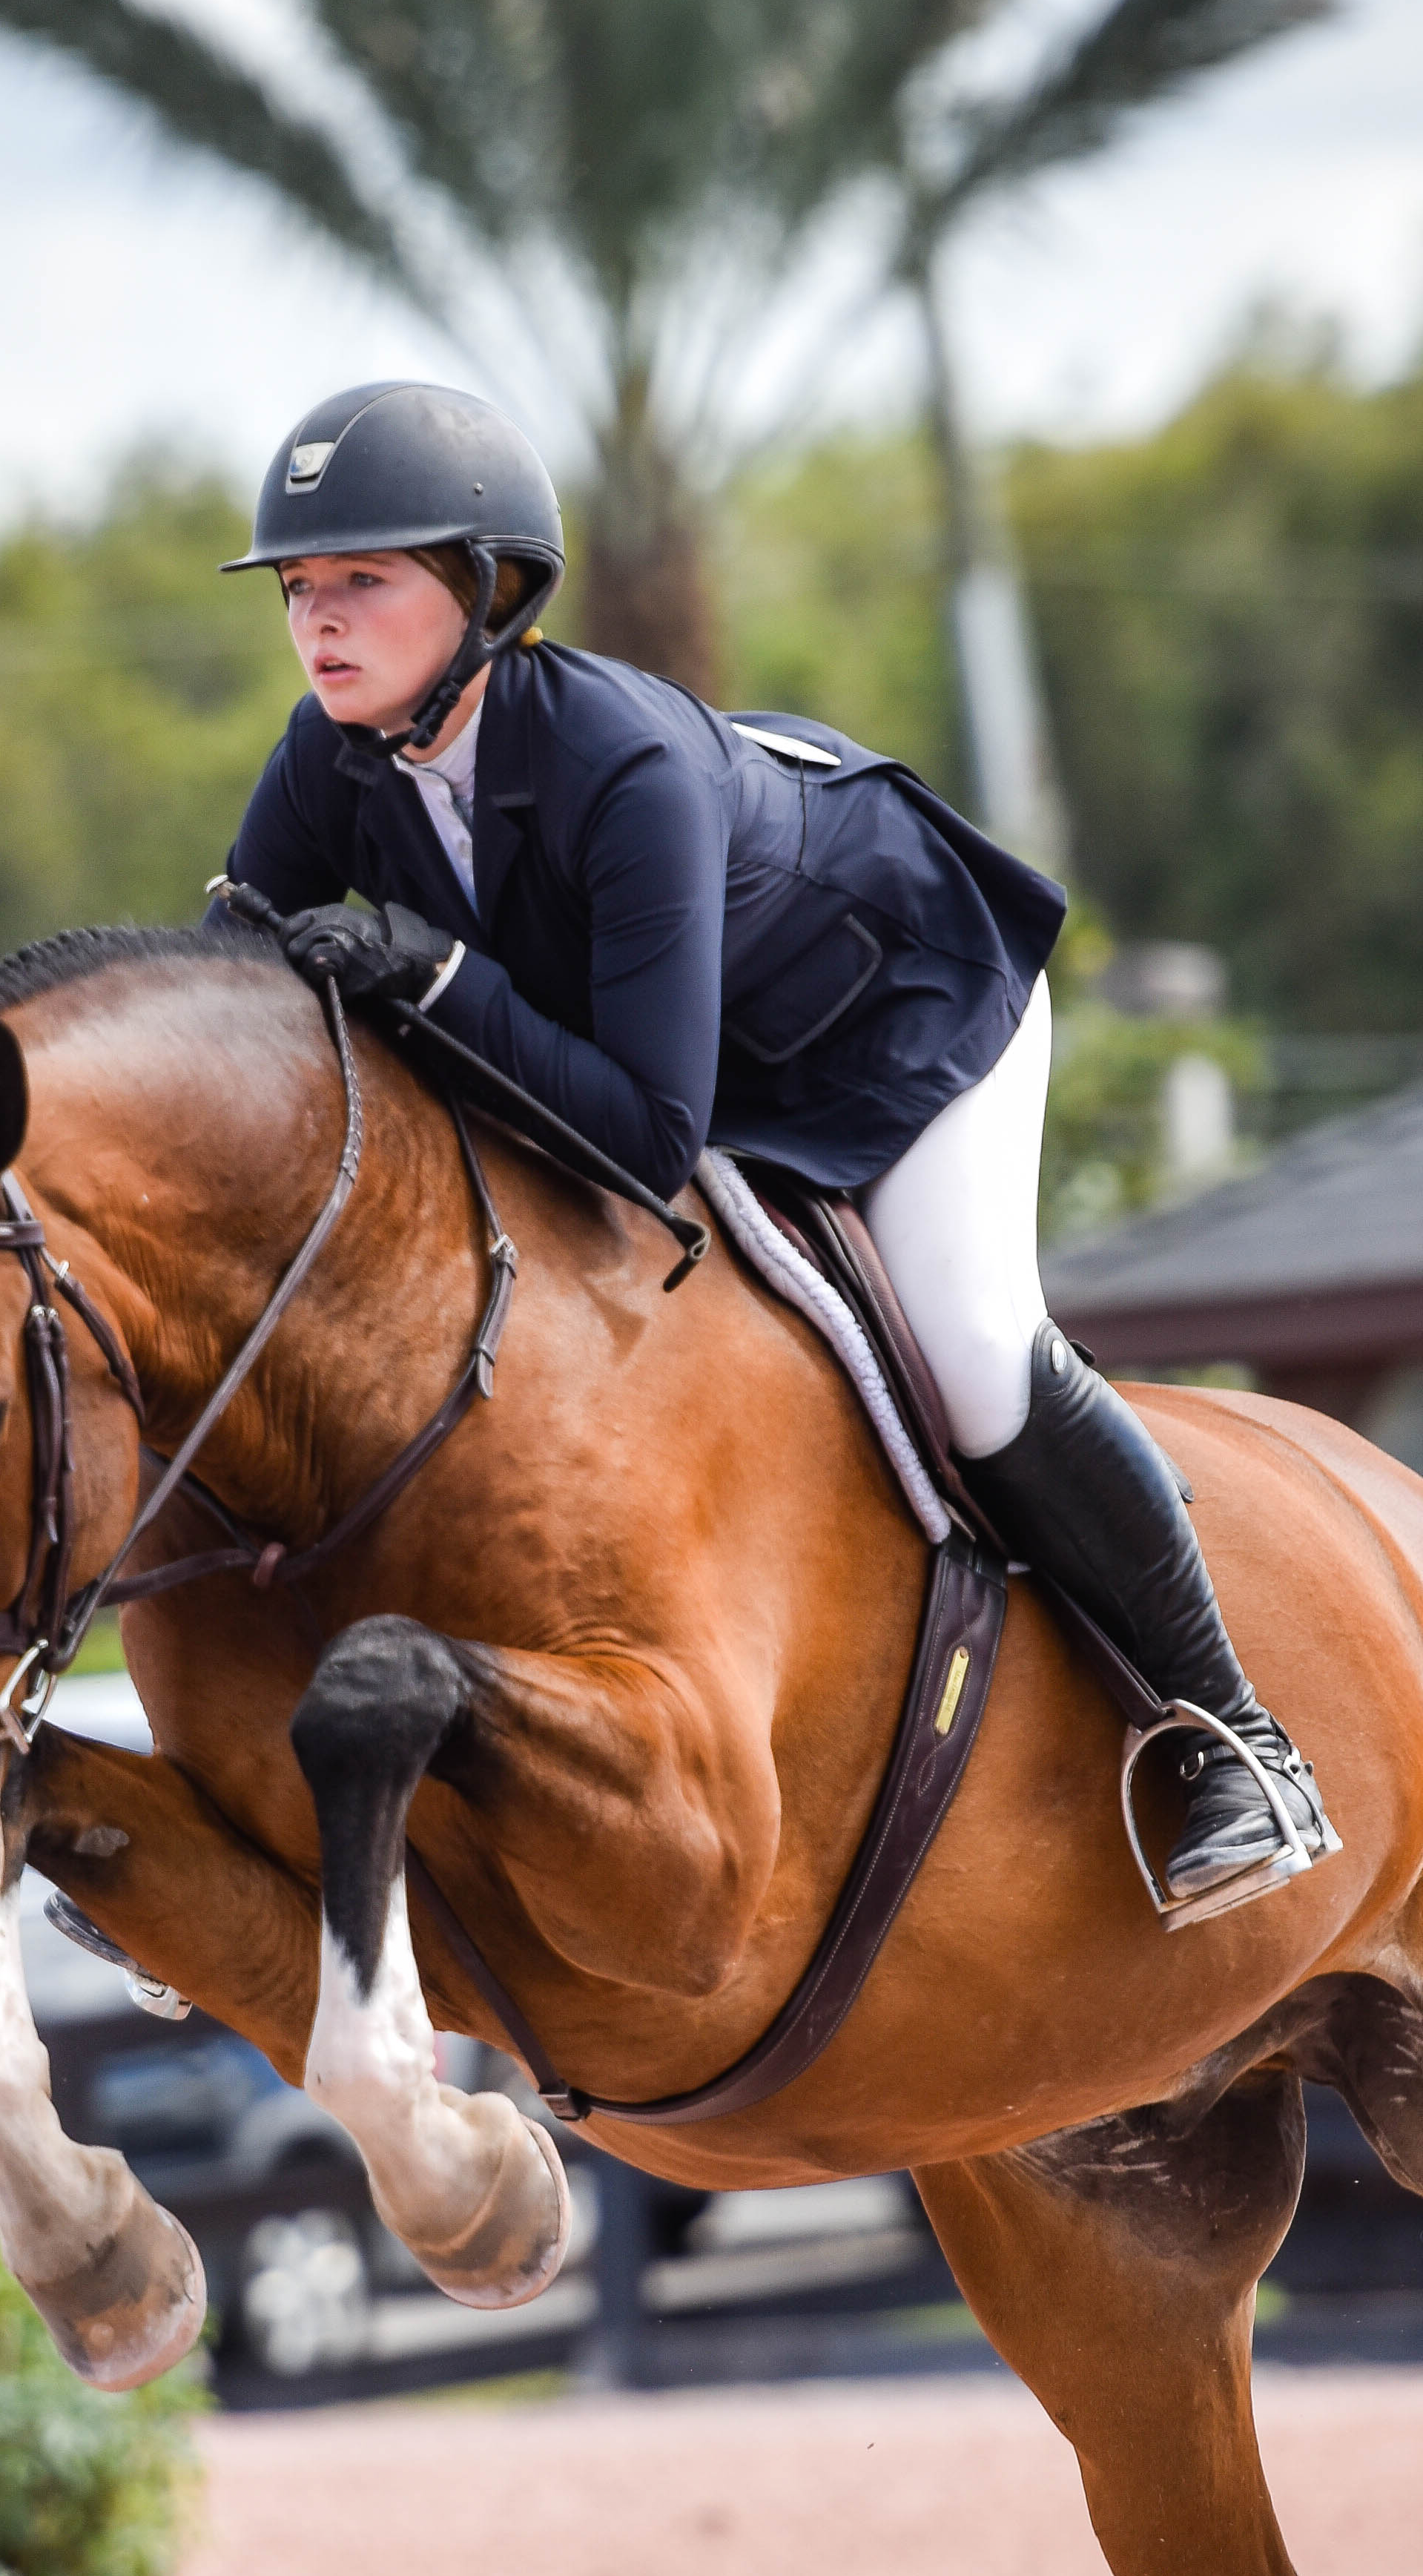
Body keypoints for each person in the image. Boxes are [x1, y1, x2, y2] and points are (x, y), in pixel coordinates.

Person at [216, 377, 1333, 1922]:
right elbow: (228, 981)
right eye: (296, 589)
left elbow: (645, 1138)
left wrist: (439, 984)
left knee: (965, 1354)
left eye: (362, 581)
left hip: (900, 1024)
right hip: (689, 1057)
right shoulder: (327, 754)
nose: (317, 621)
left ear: (486, 593)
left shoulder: (623, 769)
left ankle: (1231, 1738)